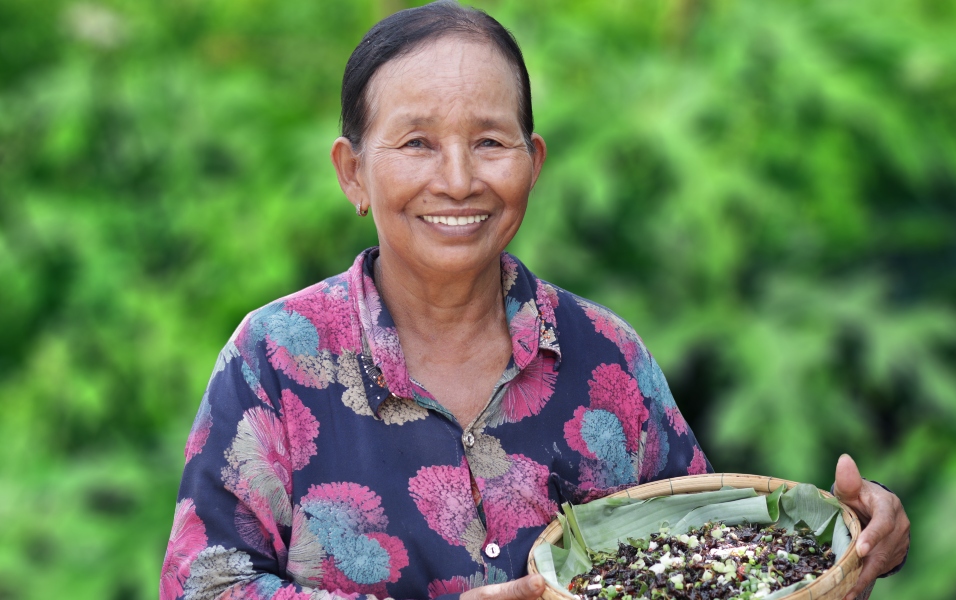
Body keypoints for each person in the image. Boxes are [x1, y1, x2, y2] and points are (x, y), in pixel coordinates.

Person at [159, 2, 909, 599]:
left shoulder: (605, 355)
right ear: (352, 172)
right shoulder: (276, 359)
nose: (457, 179)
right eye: (416, 143)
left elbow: (705, 566)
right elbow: (204, 585)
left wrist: (845, 549)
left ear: (533, 161)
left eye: (489, 141)